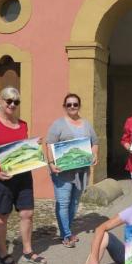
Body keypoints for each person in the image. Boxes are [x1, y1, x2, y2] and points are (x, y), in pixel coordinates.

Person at [0, 86, 47, 264]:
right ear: (0, 102)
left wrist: (33, 146)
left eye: (16, 101)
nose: (12, 104)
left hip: (23, 177)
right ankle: (2, 254)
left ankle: (27, 250)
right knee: (2, 216)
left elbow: (20, 149)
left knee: (27, 214)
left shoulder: (22, 125)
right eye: (8, 100)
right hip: (1, 178)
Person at [45, 93, 99, 248]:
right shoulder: (58, 124)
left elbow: (94, 142)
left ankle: (65, 230)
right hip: (62, 171)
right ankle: (66, 234)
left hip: (81, 171)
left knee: (74, 203)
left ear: (79, 106)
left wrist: (94, 154)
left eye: (75, 104)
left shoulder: (87, 124)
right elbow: (49, 144)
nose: (72, 107)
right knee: (63, 203)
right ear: (64, 107)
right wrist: (50, 163)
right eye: (69, 105)